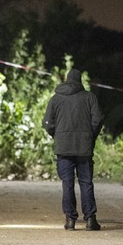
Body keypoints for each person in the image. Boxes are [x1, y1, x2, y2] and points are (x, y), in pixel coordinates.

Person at [43, 68, 103, 231]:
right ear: (80, 81)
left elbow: (47, 122)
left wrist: (58, 135)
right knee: (86, 183)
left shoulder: (55, 99)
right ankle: (90, 219)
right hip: (84, 147)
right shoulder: (89, 98)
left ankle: (70, 220)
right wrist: (90, 136)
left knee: (67, 184)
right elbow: (97, 120)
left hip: (63, 148)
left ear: (67, 80)